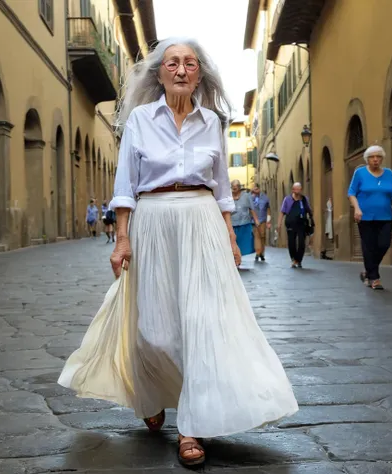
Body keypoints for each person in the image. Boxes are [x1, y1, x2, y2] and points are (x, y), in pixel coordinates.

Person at [58, 37, 298, 468]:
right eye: (173, 63)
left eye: (190, 63)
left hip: (202, 220)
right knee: (154, 328)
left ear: (199, 74)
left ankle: (191, 424)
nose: (182, 70)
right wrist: (123, 238)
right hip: (153, 220)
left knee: (202, 323)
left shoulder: (212, 123)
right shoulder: (139, 122)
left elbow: (222, 187)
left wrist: (228, 234)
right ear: (159, 73)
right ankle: (153, 391)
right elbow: (125, 187)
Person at [348, 145, 392, 290]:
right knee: (369, 247)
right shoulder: (360, 173)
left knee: (384, 244)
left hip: (385, 216)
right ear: (367, 159)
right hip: (365, 217)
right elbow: (351, 193)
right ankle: (375, 278)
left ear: (382, 158)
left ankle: (368, 271)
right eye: (372, 157)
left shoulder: (389, 174)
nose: (375, 160)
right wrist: (357, 208)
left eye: (378, 157)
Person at [278, 182, 313, 268]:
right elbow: (282, 212)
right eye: (296, 189)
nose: (297, 191)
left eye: (299, 189)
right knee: (291, 242)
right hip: (291, 223)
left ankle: (299, 260)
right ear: (293, 190)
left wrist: (311, 222)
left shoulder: (304, 199)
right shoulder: (287, 199)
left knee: (301, 242)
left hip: (302, 223)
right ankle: (293, 259)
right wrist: (279, 224)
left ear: (301, 190)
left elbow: (309, 211)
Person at [231, 180, 259, 270]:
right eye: (232, 188)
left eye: (235, 188)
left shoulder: (246, 196)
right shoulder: (228, 197)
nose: (234, 190)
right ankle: (235, 259)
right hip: (232, 224)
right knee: (234, 243)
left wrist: (256, 220)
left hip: (244, 223)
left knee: (244, 244)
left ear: (239, 188)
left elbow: (251, 209)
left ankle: (238, 259)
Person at [252, 184, 271, 262]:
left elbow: (269, 209)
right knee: (256, 236)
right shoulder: (250, 198)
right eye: (254, 189)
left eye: (256, 189)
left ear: (259, 189)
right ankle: (257, 252)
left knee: (262, 236)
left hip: (263, 220)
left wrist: (268, 221)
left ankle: (262, 253)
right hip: (253, 220)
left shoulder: (265, 198)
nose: (255, 190)